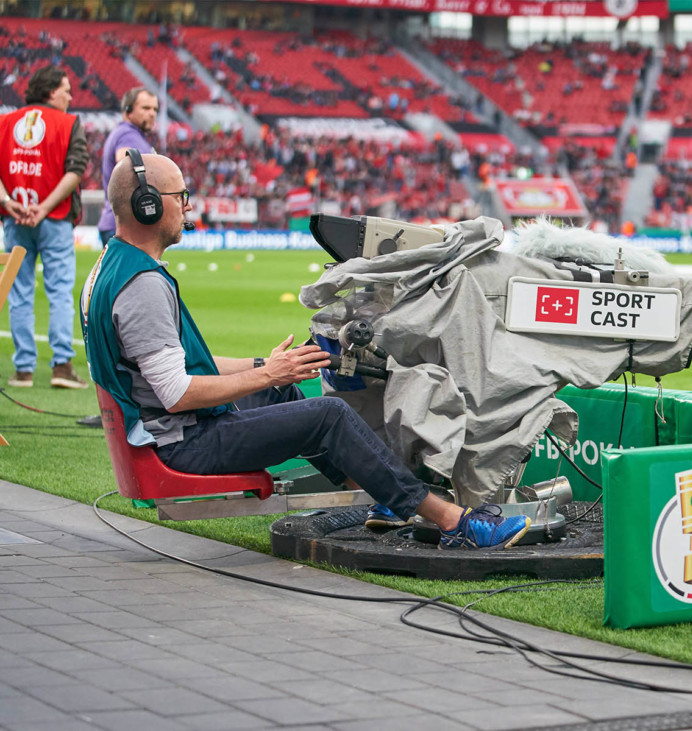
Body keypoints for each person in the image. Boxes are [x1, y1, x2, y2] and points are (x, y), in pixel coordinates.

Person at [81, 152, 530, 550]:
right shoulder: (143, 286)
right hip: (180, 442)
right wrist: (267, 375)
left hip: (163, 431)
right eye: (180, 195)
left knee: (284, 394)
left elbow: (168, 367)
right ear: (149, 205)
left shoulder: (114, 265)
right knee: (328, 415)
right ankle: (454, 522)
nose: (188, 205)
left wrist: (268, 367)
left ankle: (384, 496)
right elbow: (176, 393)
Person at [0, 65, 89, 389]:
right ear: (52, 92)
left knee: (20, 292)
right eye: (66, 90)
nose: (70, 96)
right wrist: (45, 207)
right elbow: (75, 170)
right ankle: (61, 366)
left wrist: (9, 202)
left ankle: (23, 369)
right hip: (54, 218)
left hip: (14, 218)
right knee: (60, 291)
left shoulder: (5, 122)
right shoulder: (68, 123)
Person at [97, 87, 158, 246]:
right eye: (146, 108)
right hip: (127, 227)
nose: (152, 113)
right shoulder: (128, 135)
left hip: (119, 224)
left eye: (155, 109)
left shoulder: (128, 134)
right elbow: (125, 171)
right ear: (128, 110)